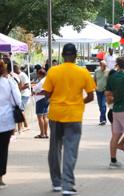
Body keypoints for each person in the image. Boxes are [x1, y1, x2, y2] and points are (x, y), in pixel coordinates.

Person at [43, 43, 95, 195]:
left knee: (54, 149)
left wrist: (55, 98)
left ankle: (56, 183)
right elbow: (91, 96)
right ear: (75, 56)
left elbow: (46, 93)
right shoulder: (83, 72)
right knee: (70, 151)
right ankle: (67, 185)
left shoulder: (53, 71)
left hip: (55, 114)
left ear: (63, 55)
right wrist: (79, 103)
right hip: (74, 115)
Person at [0, 59, 21, 189]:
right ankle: (0, 178)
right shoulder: (9, 82)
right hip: (5, 121)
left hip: (5, 121)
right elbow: (17, 100)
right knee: (2, 150)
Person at [32, 69, 49, 138]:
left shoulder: (42, 81)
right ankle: (45, 133)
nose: (37, 75)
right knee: (45, 117)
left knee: (40, 117)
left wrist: (35, 93)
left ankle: (42, 133)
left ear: (40, 74)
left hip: (40, 99)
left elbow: (43, 91)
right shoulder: (46, 80)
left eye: (38, 74)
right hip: (46, 99)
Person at [13, 64, 30, 132]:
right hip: (21, 94)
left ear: (16, 69)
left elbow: (27, 85)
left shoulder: (22, 75)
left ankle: (25, 125)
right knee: (20, 110)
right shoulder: (18, 75)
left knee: (20, 110)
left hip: (25, 94)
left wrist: (19, 89)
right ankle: (24, 125)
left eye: (14, 70)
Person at [93, 60, 109, 125]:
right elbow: (94, 80)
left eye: (105, 66)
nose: (105, 67)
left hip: (105, 91)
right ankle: (103, 118)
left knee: (103, 105)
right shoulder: (96, 71)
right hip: (98, 90)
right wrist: (95, 87)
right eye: (103, 66)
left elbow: (109, 81)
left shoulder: (108, 71)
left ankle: (102, 119)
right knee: (100, 106)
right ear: (100, 65)